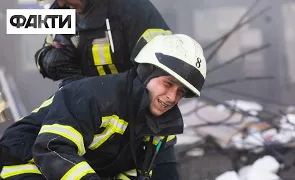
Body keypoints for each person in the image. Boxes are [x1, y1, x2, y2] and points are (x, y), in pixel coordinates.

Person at [0, 34, 207, 180]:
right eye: (168, 84)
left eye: (180, 92)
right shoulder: (97, 96)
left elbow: (131, 172)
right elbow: (52, 148)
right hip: (20, 165)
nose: (172, 97)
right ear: (146, 72)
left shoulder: (153, 126)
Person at [35, 0, 172, 87]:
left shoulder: (132, 7)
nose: (60, 3)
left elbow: (162, 64)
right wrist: (48, 59)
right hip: (86, 106)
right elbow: (47, 49)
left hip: (133, 108)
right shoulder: (60, 11)